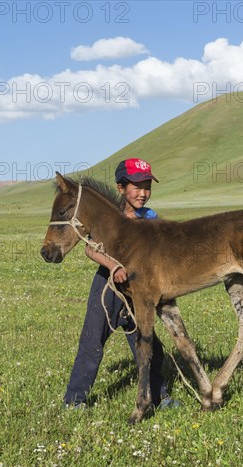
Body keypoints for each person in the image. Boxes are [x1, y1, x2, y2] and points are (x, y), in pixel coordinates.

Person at [64, 158, 179, 410]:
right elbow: (90, 249)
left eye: (147, 186)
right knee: (92, 341)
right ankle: (75, 400)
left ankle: (158, 396)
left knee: (147, 342)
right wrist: (113, 265)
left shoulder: (150, 217)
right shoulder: (109, 216)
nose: (143, 193)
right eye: (136, 186)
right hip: (107, 287)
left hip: (139, 289)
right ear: (120, 188)